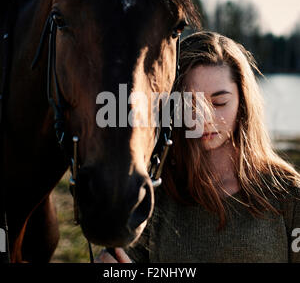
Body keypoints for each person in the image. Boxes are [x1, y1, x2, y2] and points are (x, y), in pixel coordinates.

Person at [97, 31, 300, 263]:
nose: (204, 118)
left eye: (219, 102)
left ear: (243, 103)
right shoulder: (155, 197)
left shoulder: (288, 194)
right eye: (190, 103)